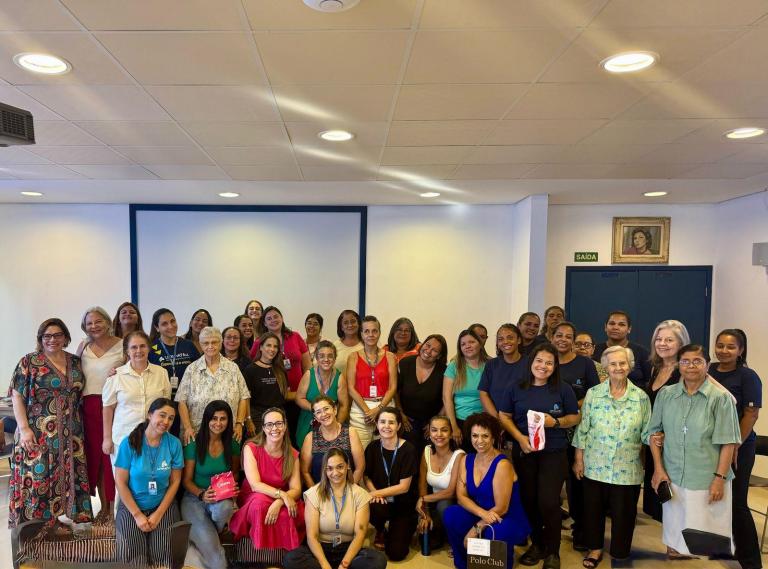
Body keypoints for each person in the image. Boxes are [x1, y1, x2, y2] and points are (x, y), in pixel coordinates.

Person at [645, 344, 741, 558]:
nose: (691, 366)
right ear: (678, 365)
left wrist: (719, 478)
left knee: (708, 543)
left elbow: (728, 443)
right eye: (685, 361)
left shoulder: (720, 399)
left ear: (707, 365)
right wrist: (658, 470)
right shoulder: (666, 395)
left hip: (706, 478)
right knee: (677, 534)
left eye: (697, 361)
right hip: (673, 475)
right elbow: (653, 434)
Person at [499, 343, 580, 569]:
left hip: (553, 453)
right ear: (530, 362)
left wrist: (555, 421)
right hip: (525, 452)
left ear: (554, 367)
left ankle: (553, 551)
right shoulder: (516, 387)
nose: (543, 366)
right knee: (529, 500)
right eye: (539, 361)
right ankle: (538, 544)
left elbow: (574, 417)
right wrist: (520, 438)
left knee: (549, 502)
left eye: (548, 363)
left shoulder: (563, 389)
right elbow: (503, 416)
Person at [8, 318, 93, 528]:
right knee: (40, 477)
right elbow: (16, 395)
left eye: (57, 335)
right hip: (39, 431)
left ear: (65, 337)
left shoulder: (75, 361)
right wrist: (25, 428)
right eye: (47, 336)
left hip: (71, 432)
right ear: (40, 339)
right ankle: (38, 525)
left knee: (68, 475)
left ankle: (61, 518)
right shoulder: (29, 361)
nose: (52, 339)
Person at [572, 346, 652, 567]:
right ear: (605, 367)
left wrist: (657, 441)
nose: (618, 367)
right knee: (593, 511)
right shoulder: (593, 393)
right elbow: (583, 428)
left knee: (624, 515)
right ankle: (595, 549)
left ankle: (620, 552)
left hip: (628, 467)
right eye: (613, 364)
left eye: (623, 363)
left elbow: (647, 432)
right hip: (595, 464)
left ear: (630, 366)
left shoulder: (641, 398)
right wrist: (579, 459)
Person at [444, 413, 530, 569]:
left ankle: (498, 563)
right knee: (451, 514)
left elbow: (502, 508)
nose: (479, 441)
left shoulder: (502, 464)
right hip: (481, 513)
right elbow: (461, 496)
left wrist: (476, 529)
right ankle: (464, 563)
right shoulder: (466, 460)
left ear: (493, 438)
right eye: (475, 436)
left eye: (485, 436)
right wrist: (481, 515)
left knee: (495, 532)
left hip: (506, 517)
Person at [709, 329, 762, 569]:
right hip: (712, 446)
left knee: (737, 503)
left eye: (731, 347)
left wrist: (735, 445)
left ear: (740, 350)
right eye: (720, 345)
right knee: (718, 500)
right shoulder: (709, 371)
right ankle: (728, 548)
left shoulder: (747, 376)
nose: (724, 350)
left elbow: (751, 414)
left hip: (740, 447)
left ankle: (751, 561)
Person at [283, 448, 387, 569]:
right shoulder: (313, 494)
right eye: (330, 468)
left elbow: (360, 535)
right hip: (321, 548)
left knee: (378, 560)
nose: (335, 473)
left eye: (340, 467)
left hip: (348, 549)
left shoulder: (360, 494)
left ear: (347, 466)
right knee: (291, 559)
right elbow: (312, 536)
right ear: (325, 470)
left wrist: (344, 565)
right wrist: (324, 565)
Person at [114, 397, 184, 567]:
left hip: (162, 505)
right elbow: (120, 482)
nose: (166, 421)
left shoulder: (174, 444)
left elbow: (175, 482)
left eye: (171, 418)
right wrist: (138, 515)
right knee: (133, 558)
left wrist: (158, 514)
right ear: (150, 415)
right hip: (132, 505)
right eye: (162, 415)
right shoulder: (129, 442)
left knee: (163, 557)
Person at [230, 407, 306, 554]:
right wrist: (283, 495)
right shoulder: (251, 448)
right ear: (263, 428)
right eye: (269, 424)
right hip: (255, 495)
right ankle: (259, 555)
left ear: (285, 426)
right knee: (259, 505)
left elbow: (296, 489)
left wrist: (280, 501)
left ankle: (283, 558)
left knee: (287, 513)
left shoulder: (292, 454)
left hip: (280, 498)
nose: (274, 428)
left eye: (278, 423)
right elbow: (255, 485)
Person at [551, 321, 599, 550]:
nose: (563, 339)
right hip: (550, 430)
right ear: (551, 337)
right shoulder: (545, 360)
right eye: (558, 335)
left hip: (578, 430)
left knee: (577, 484)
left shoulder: (584, 363)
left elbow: (594, 394)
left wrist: (570, 409)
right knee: (551, 482)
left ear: (573, 340)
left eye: (568, 336)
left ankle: (581, 530)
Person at [181, 400, 241, 569]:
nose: (218, 423)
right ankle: (205, 541)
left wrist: (233, 489)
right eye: (214, 418)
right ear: (207, 420)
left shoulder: (233, 443)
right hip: (194, 500)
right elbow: (186, 481)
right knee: (219, 560)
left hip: (220, 501)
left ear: (229, 421)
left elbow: (235, 473)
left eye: (223, 419)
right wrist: (201, 494)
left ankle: (203, 538)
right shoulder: (194, 443)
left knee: (226, 507)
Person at [78, 306, 123, 521]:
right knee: (95, 458)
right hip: (89, 407)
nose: (94, 326)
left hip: (114, 406)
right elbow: (74, 375)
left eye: (98, 321)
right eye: (89, 323)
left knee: (112, 456)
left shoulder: (122, 344)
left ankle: (115, 506)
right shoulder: (83, 346)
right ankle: (103, 507)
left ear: (107, 322)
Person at [642, 319, 690, 522]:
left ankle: (678, 545)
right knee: (660, 496)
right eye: (659, 339)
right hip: (655, 441)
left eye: (669, 340)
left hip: (674, 443)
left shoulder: (686, 370)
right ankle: (671, 543)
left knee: (676, 499)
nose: (662, 343)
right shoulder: (656, 369)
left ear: (681, 344)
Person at [103, 331, 172, 464]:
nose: (138, 350)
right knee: (122, 482)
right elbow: (108, 408)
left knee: (151, 482)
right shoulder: (117, 376)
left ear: (149, 348)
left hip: (154, 438)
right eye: (134, 347)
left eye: (142, 346)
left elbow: (166, 407)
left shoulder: (162, 373)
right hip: (123, 439)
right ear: (127, 351)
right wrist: (107, 439)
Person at [176, 326, 250, 445]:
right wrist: (187, 427)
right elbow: (181, 401)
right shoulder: (192, 369)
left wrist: (239, 424)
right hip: (196, 433)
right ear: (200, 345)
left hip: (228, 433)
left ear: (221, 343)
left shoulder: (233, 368)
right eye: (206, 343)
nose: (210, 346)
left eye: (214, 342)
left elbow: (244, 397)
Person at [363, 407, 419, 561]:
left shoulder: (408, 449)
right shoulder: (372, 448)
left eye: (391, 422)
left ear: (399, 426)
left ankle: (402, 527)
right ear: (376, 424)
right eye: (382, 422)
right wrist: (375, 493)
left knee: (396, 554)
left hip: (403, 506)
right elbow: (366, 476)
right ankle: (381, 529)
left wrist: (373, 494)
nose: (386, 426)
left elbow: (404, 487)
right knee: (371, 506)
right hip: (381, 502)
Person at [249, 306, 311, 440]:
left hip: (297, 395)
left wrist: (305, 390)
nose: (273, 320)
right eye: (269, 318)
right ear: (264, 323)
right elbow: (254, 366)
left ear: (282, 318)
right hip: (272, 399)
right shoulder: (259, 342)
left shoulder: (295, 336)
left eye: (276, 316)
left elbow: (308, 366)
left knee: (295, 434)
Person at [346, 316, 398, 448]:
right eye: (367, 331)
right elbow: (351, 388)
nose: (371, 335)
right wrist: (367, 411)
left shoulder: (390, 356)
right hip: (360, 409)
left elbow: (393, 387)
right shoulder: (353, 357)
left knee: (384, 451)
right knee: (359, 453)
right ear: (362, 334)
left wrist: (379, 409)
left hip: (385, 406)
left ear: (379, 333)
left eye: (374, 331)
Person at [416, 416, 465, 550]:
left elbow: (451, 491)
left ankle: (457, 541)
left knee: (444, 505)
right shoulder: (427, 451)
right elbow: (422, 484)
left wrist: (423, 499)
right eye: (434, 430)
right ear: (429, 433)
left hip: (454, 503)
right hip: (433, 502)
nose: (439, 435)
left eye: (444, 430)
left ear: (450, 433)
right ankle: (442, 532)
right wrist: (425, 513)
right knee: (431, 543)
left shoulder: (459, 455)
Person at [396, 334, 449, 454]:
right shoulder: (405, 363)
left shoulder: (444, 371)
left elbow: (447, 399)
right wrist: (400, 413)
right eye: (427, 345)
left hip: (430, 424)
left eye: (434, 350)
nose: (428, 351)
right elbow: (396, 391)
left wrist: (435, 422)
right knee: (407, 455)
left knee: (427, 456)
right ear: (422, 344)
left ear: (439, 355)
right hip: (407, 421)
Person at [300, 395, 364, 487]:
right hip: (319, 492)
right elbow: (305, 472)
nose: (323, 414)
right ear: (316, 417)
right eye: (318, 412)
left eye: (326, 409)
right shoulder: (310, 438)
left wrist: (349, 490)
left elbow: (360, 467)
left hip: (348, 488)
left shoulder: (350, 432)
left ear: (335, 410)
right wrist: (316, 496)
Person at [295, 340, 350, 449]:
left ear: (335, 359)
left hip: (331, 424)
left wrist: (335, 427)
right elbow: (299, 398)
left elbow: (344, 405)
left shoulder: (340, 378)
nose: (326, 359)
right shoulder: (308, 375)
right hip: (308, 423)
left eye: (330, 356)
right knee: (307, 458)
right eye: (322, 356)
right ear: (316, 357)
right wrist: (316, 410)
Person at [443, 329, 488, 447]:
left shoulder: (490, 365)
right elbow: (446, 398)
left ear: (480, 343)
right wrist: (454, 427)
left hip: (484, 421)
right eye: (463, 344)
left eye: (471, 342)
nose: (467, 346)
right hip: (459, 422)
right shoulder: (454, 366)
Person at [479, 323, 528, 420]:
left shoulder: (530, 363)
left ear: (519, 340)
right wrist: (498, 420)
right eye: (500, 339)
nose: (505, 342)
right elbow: (483, 393)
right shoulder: (491, 364)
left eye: (510, 338)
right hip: (497, 423)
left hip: (523, 422)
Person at [147, 308, 200, 396]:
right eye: (164, 324)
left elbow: (199, 369)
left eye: (173, 321)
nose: (170, 326)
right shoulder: (151, 349)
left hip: (187, 397)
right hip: (162, 399)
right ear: (157, 328)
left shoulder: (188, 345)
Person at [243, 332, 289, 433]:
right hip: (258, 417)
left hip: (279, 415)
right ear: (260, 347)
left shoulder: (280, 370)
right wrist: (248, 420)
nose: (272, 349)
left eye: (275, 346)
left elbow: (286, 394)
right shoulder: (250, 370)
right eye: (268, 345)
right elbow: (246, 399)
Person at [592, 311, 651, 388]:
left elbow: (649, 382)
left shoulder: (642, 353)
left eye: (621, 324)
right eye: (612, 323)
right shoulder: (594, 351)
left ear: (629, 329)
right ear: (605, 327)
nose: (615, 327)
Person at [333, 309, 364, 374]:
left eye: (353, 321)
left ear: (358, 323)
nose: (350, 325)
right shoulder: (334, 346)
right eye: (346, 323)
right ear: (341, 327)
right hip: (338, 384)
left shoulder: (367, 344)